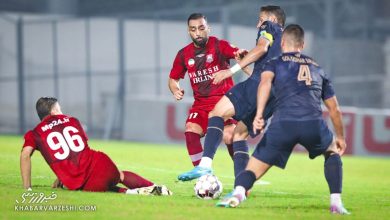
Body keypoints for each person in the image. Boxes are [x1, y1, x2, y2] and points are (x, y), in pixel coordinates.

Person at [216, 24, 350, 215]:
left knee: (254, 168)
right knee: (331, 153)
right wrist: (340, 137)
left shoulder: (275, 63)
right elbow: (334, 109)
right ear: (302, 45)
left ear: (283, 43)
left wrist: (259, 114)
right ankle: (336, 202)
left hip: (283, 125)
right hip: (313, 124)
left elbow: (264, 83)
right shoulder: (318, 69)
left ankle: (237, 194)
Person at [178, 5, 285, 181]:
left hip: (259, 85)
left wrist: (230, 71)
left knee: (216, 112)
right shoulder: (287, 39)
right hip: (275, 94)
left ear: (272, 20)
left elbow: (261, 49)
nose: (258, 24)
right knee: (239, 134)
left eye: (260, 19)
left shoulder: (269, 27)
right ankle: (242, 185)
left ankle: (204, 167)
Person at [20, 97, 172, 196]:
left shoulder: (34, 134)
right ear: (53, 111)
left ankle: (133, 193)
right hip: (100, 164)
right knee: (120, 176)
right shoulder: (72, 120)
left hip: (77, 181)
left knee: (100, 188)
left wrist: (27, 188)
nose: (62, 112)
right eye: (59, 109)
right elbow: (75, 151)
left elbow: (25, 155)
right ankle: (154, 187)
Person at [168, 13, 250, 167]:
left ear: (208, 28)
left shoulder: (219, 45)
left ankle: (244, 176)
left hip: (224, 102)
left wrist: (239, 53)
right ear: (189, 31)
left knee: (229, 136)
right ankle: (203, 177)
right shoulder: (183, 54)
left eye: (201, 28)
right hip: (201, 105)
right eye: (193, 29)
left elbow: (237, 53)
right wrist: (175, 90)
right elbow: (173, 79)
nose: (197, 33)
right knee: (190, 130)